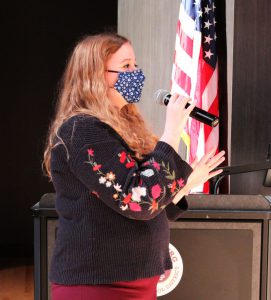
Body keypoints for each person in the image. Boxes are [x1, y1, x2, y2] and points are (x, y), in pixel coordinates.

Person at [43, 32, 225, 300]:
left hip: (136, 279)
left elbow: (151, 208)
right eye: (126, 66)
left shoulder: (124, 126)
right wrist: (172, 131)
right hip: (99, 284)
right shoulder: (81, 130)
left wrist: (186, 184)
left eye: (135, 65)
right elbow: (135, 200)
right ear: (95, 75)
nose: (136, 73)